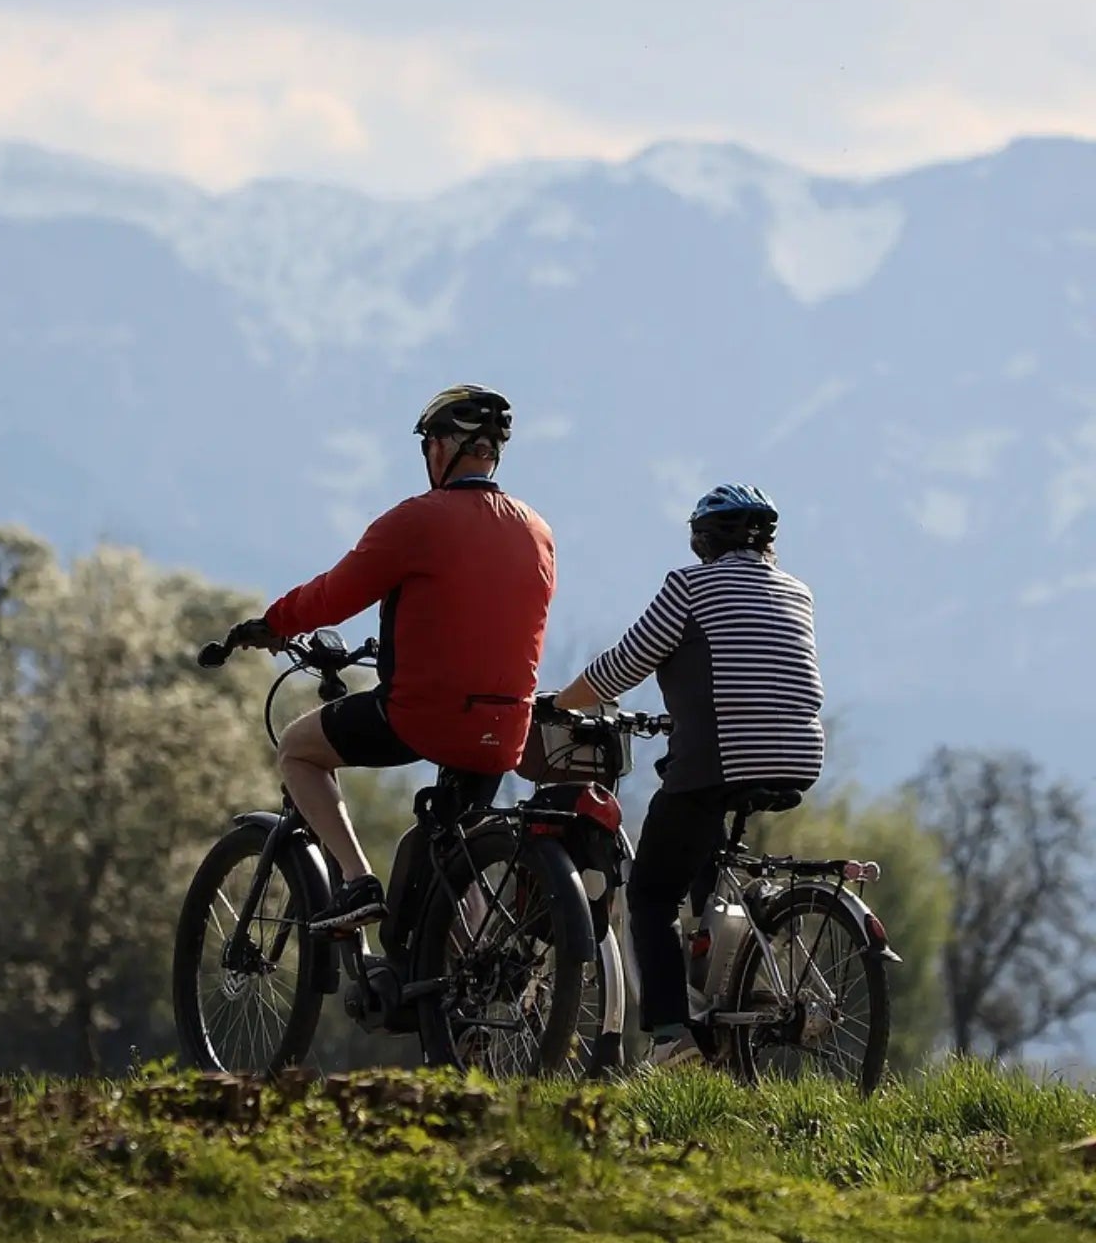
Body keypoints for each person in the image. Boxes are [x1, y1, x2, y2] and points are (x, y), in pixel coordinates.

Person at [229, 386, 556, 932]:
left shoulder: (418, 520)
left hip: (423, 717)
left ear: (443, 448)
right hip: (505, 727)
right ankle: (468, 990)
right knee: (449, 853)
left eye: (429, 444)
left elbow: (337, 592)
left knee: (298, 750)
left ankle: (358, 882)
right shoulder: (537, 530)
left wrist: (273, 623)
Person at [553, 483, 823, 1067]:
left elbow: (623, 664)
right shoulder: (796, 591)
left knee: (651, 892)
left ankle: (673, 1033)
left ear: (702, 540)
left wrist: (559, 704)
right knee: (701, 846)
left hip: (723, 755)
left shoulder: (689, 586)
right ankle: (725, 979)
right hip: (798, 755)